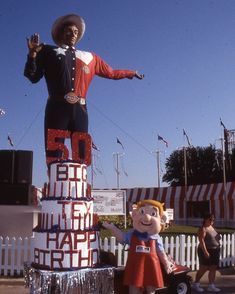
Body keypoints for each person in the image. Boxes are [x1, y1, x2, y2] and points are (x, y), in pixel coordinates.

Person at [24, 14, 144, 163]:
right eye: (69, 31)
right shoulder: (48, 51)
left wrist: (130, 73)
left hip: (80, 110)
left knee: (82, 154)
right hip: (57, 108)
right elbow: (33, 77)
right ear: (61, 32)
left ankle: (80, 185)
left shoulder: (90, 57)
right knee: (54, 153)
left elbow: (112, 73)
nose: (73, 34)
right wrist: (32, 55)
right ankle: (55, 183)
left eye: (76, 32)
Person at [103, 200, 174, 294]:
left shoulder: (156, 238)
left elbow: (161, 251)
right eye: (142, 212)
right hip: (135, 266)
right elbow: (122, 238)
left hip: (151, 266)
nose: (147, 217)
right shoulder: (132, 235)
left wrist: (166, 263)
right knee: (134, 287)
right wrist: (113, 228)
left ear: (161, 220)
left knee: (151, 288)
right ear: (135, 215)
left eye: (153, 213)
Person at [192, 213, 221, 292]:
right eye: (211, 219)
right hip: (205, 250)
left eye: (213, 219)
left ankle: (211, 286)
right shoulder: (203, 229)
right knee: (203, 268)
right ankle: (196, 284)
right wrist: (205, 252)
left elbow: (217, 237)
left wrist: (218, 238)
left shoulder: (211, 227)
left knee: (213, 268)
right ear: (205, 219)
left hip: (215, 250)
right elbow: (201, 241)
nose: (212, 221)